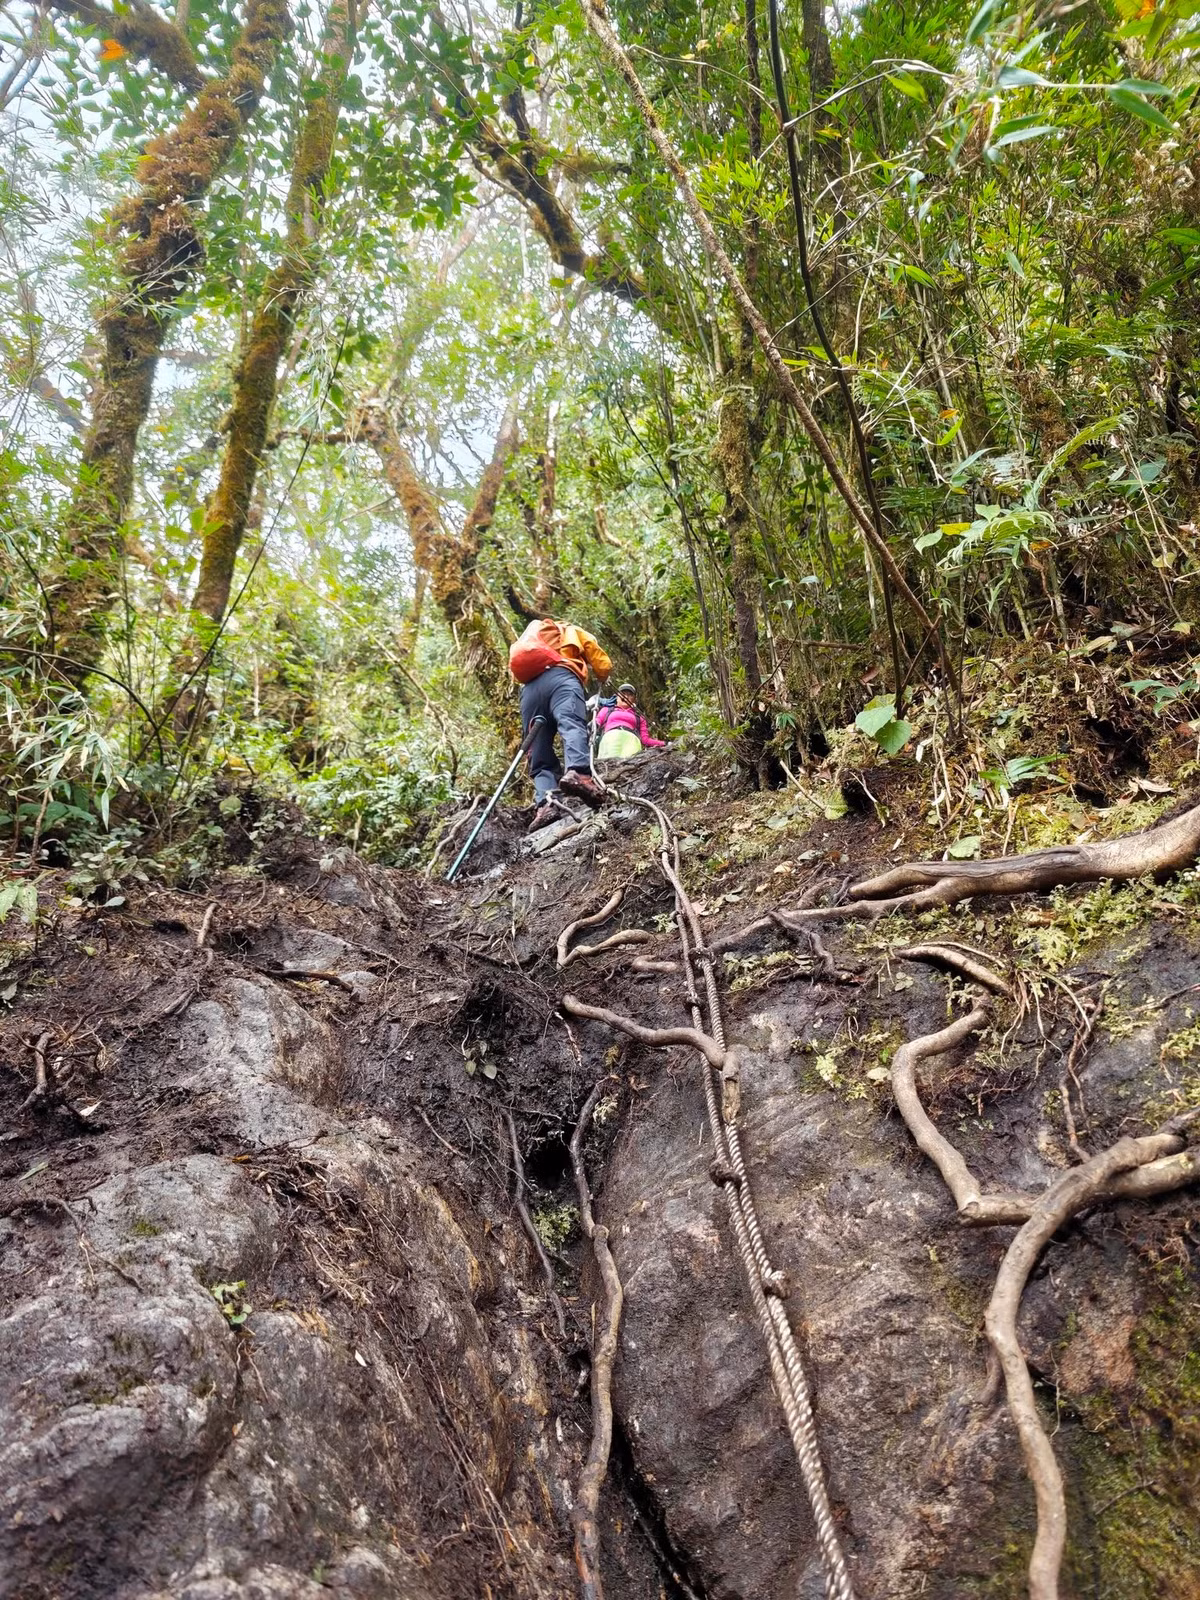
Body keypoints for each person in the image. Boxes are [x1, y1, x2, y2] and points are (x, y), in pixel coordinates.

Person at [509, 617, 612, 829]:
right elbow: (601, 661)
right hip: (562, 679)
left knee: (538, 749)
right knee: (571, 725)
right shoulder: (569, 630)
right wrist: (603, 674)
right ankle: (579, 774)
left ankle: (546, 803)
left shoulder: (530, 643)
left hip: (529, 693)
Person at [595, 683, 666, 759]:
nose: (626, 697)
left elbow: (645, 740)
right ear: (617, 697)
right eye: (623, 694)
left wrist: (664, 743)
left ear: (634, 699)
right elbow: (596, 722)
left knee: (629, 762)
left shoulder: (639, 716)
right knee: (609, 761)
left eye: (630, 695)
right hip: (610, 738)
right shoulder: (607, 709)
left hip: (631, 741)